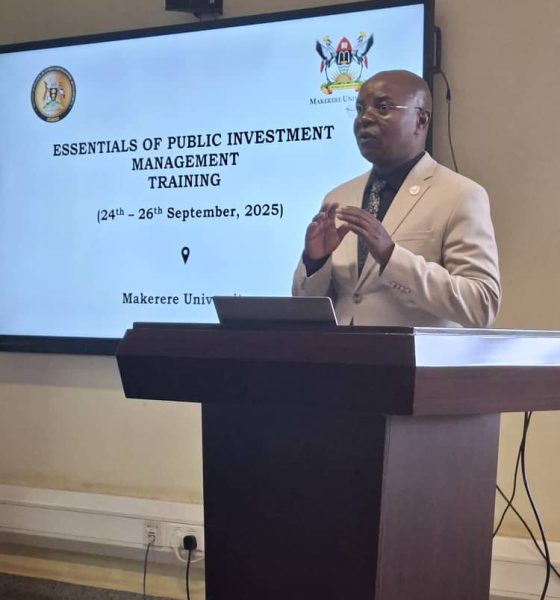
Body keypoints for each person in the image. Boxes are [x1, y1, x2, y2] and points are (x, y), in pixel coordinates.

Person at [292, 69, 501, 328]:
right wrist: (315, 262)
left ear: (421, 120)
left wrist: (391, 256)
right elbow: (309, 307)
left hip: (414, 354)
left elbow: (481, 305)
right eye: (360, 109)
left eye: (382, 107)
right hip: (341, 353)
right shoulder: (338, 198)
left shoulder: (460, 195)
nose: (365, 118)